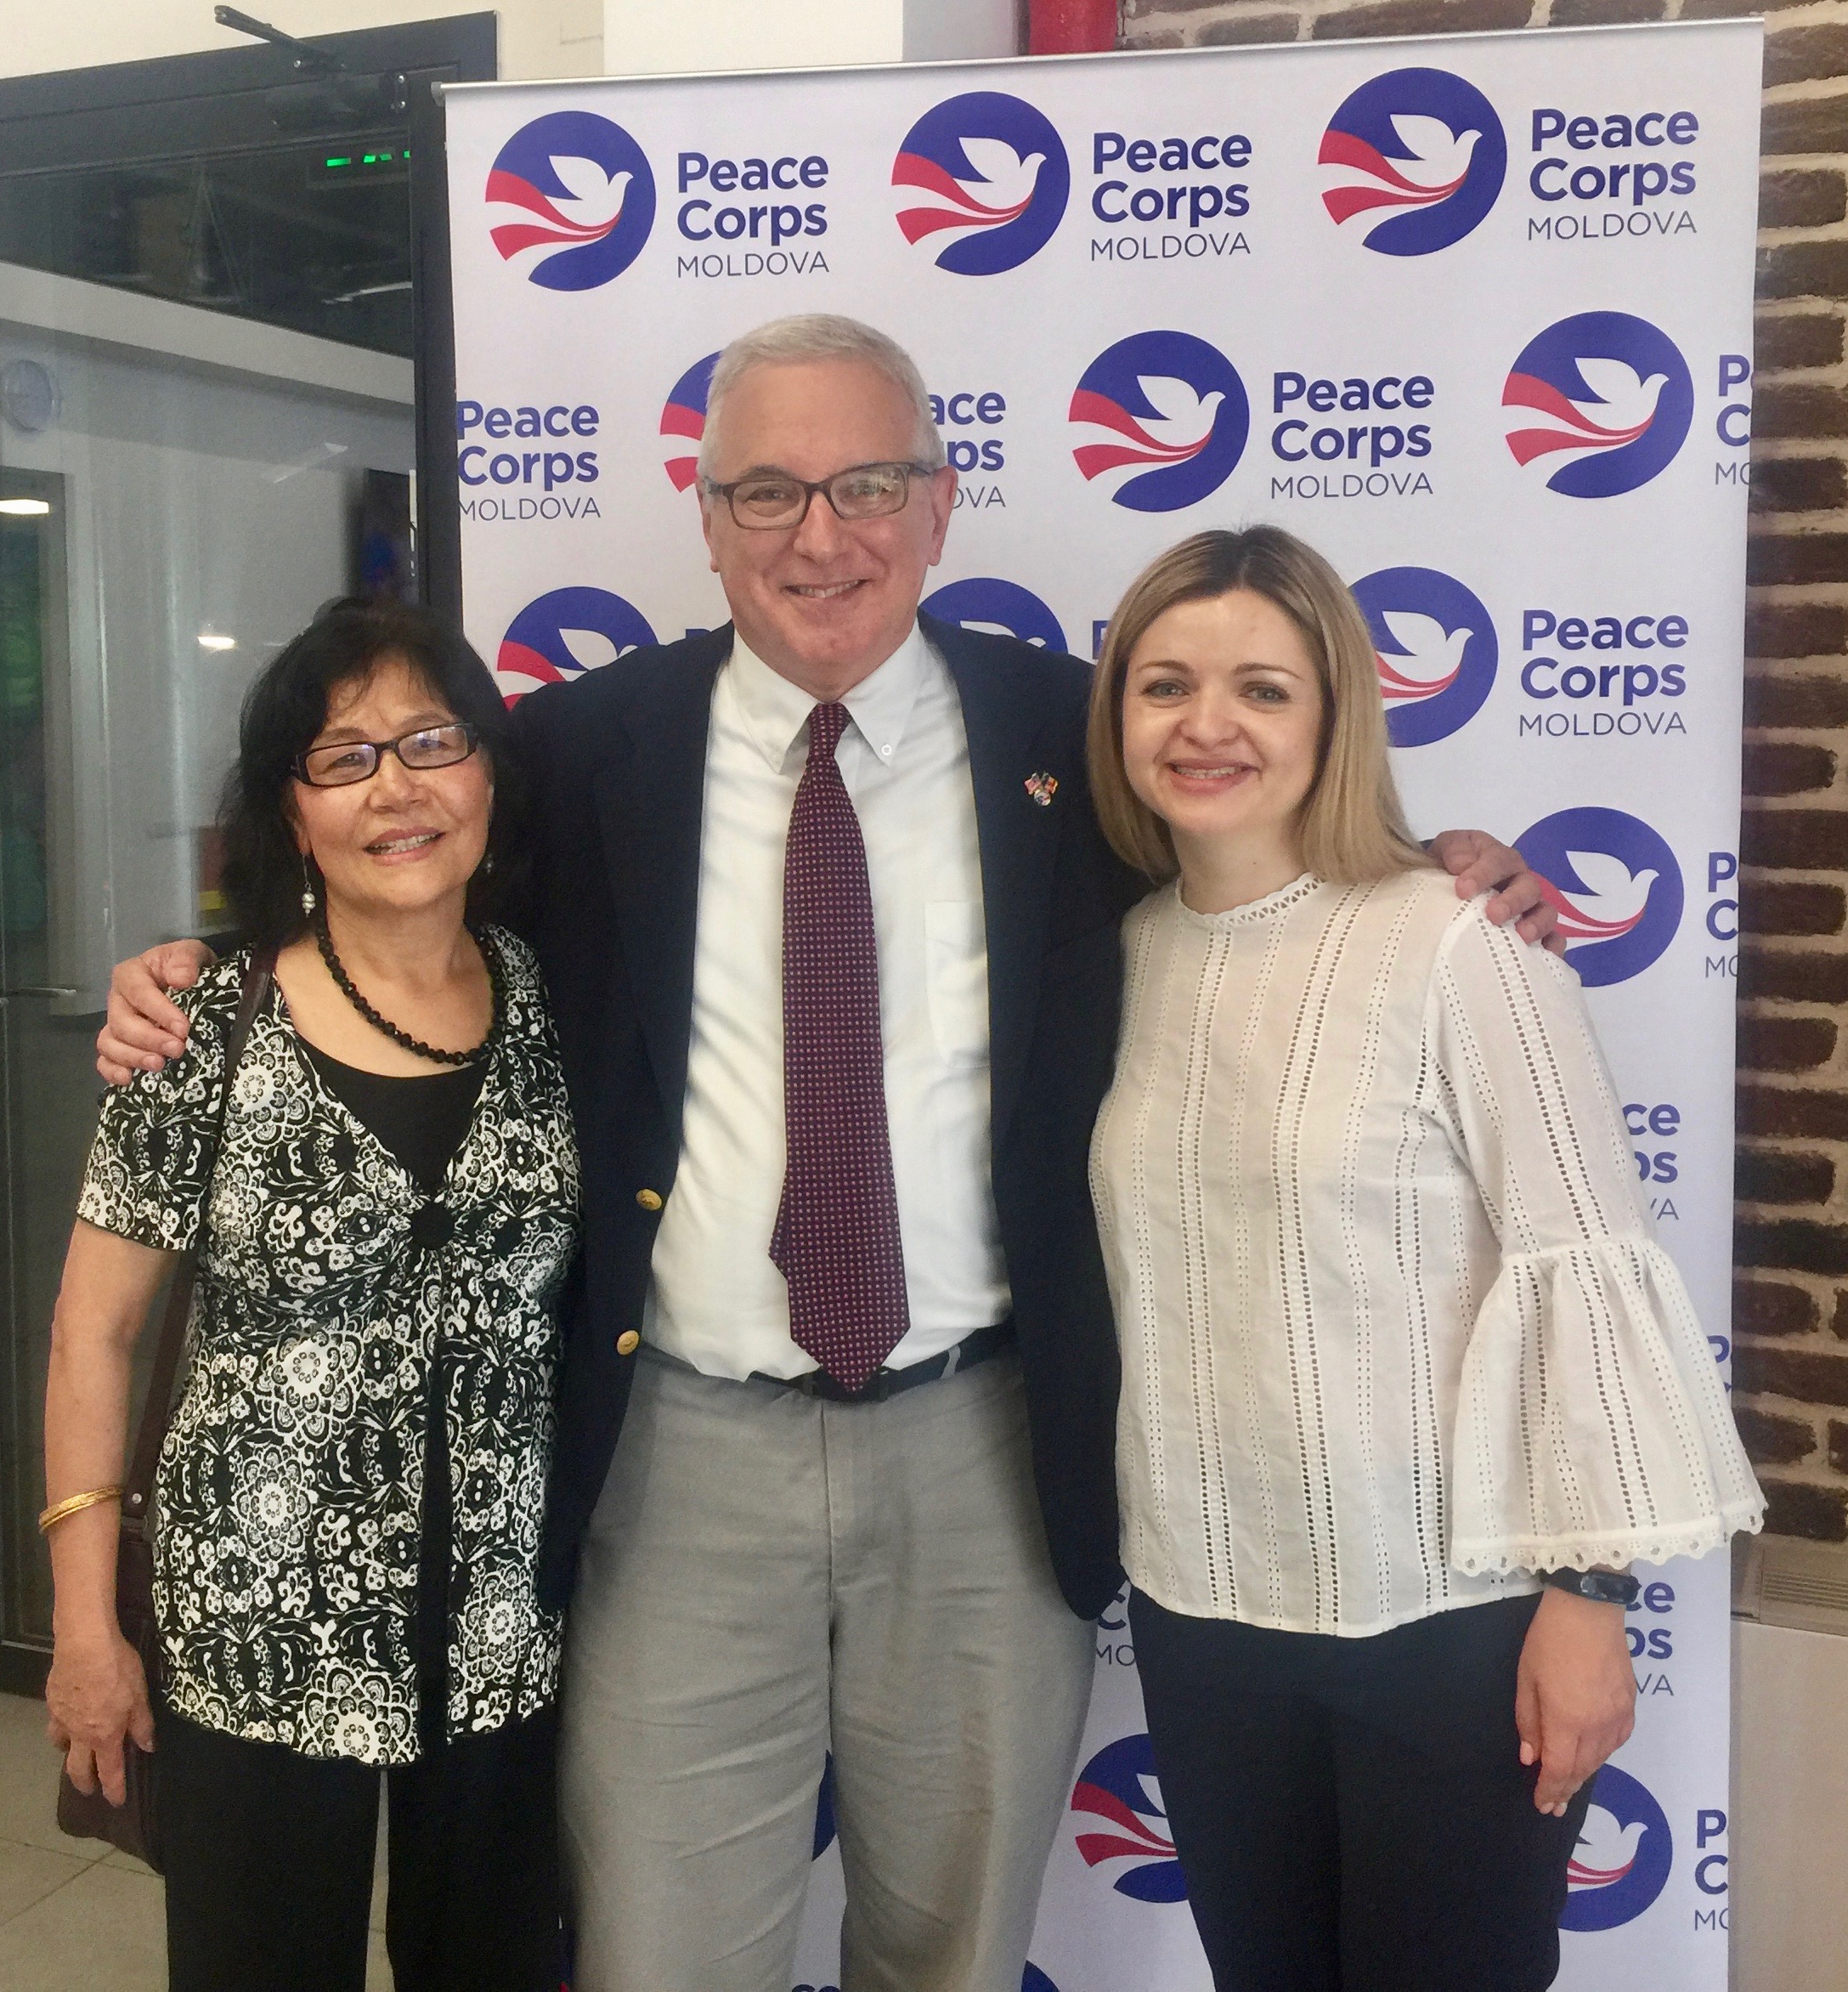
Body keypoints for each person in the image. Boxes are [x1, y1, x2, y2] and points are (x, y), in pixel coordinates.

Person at [95, 317, 1555, 1992]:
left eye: (867, 483)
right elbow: (395, 886)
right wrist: (207, 965)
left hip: (985, 1452)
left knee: (949, 1950)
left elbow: (1272, 857)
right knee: (657, 1955)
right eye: (768, 491)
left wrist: (1440, 859)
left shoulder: (1082, 737)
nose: (820, 534)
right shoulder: (572, 755)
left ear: (937, 503)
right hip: (681, 1461)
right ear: (707, 518)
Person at [1085, 526, 1764, 1992]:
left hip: (1452, 1628)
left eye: (1263, 689)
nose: (1207, 725)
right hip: (1203, 1618)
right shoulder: (1120, 954)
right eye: (1166, 685)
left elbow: (1581, 1260)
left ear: (1334, 717)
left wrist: (1588, 1598)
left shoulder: (1457, 939)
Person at [46, 602, 579, 1992]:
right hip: (254, 1627)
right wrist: (88, 1631)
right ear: (291, 812)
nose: (396, 789)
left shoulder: (557, 1003)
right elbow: (94, 1337)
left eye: (431, 742)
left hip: (505, 1633)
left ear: (487, 773)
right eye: (344, 759)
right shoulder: (195, 1029)